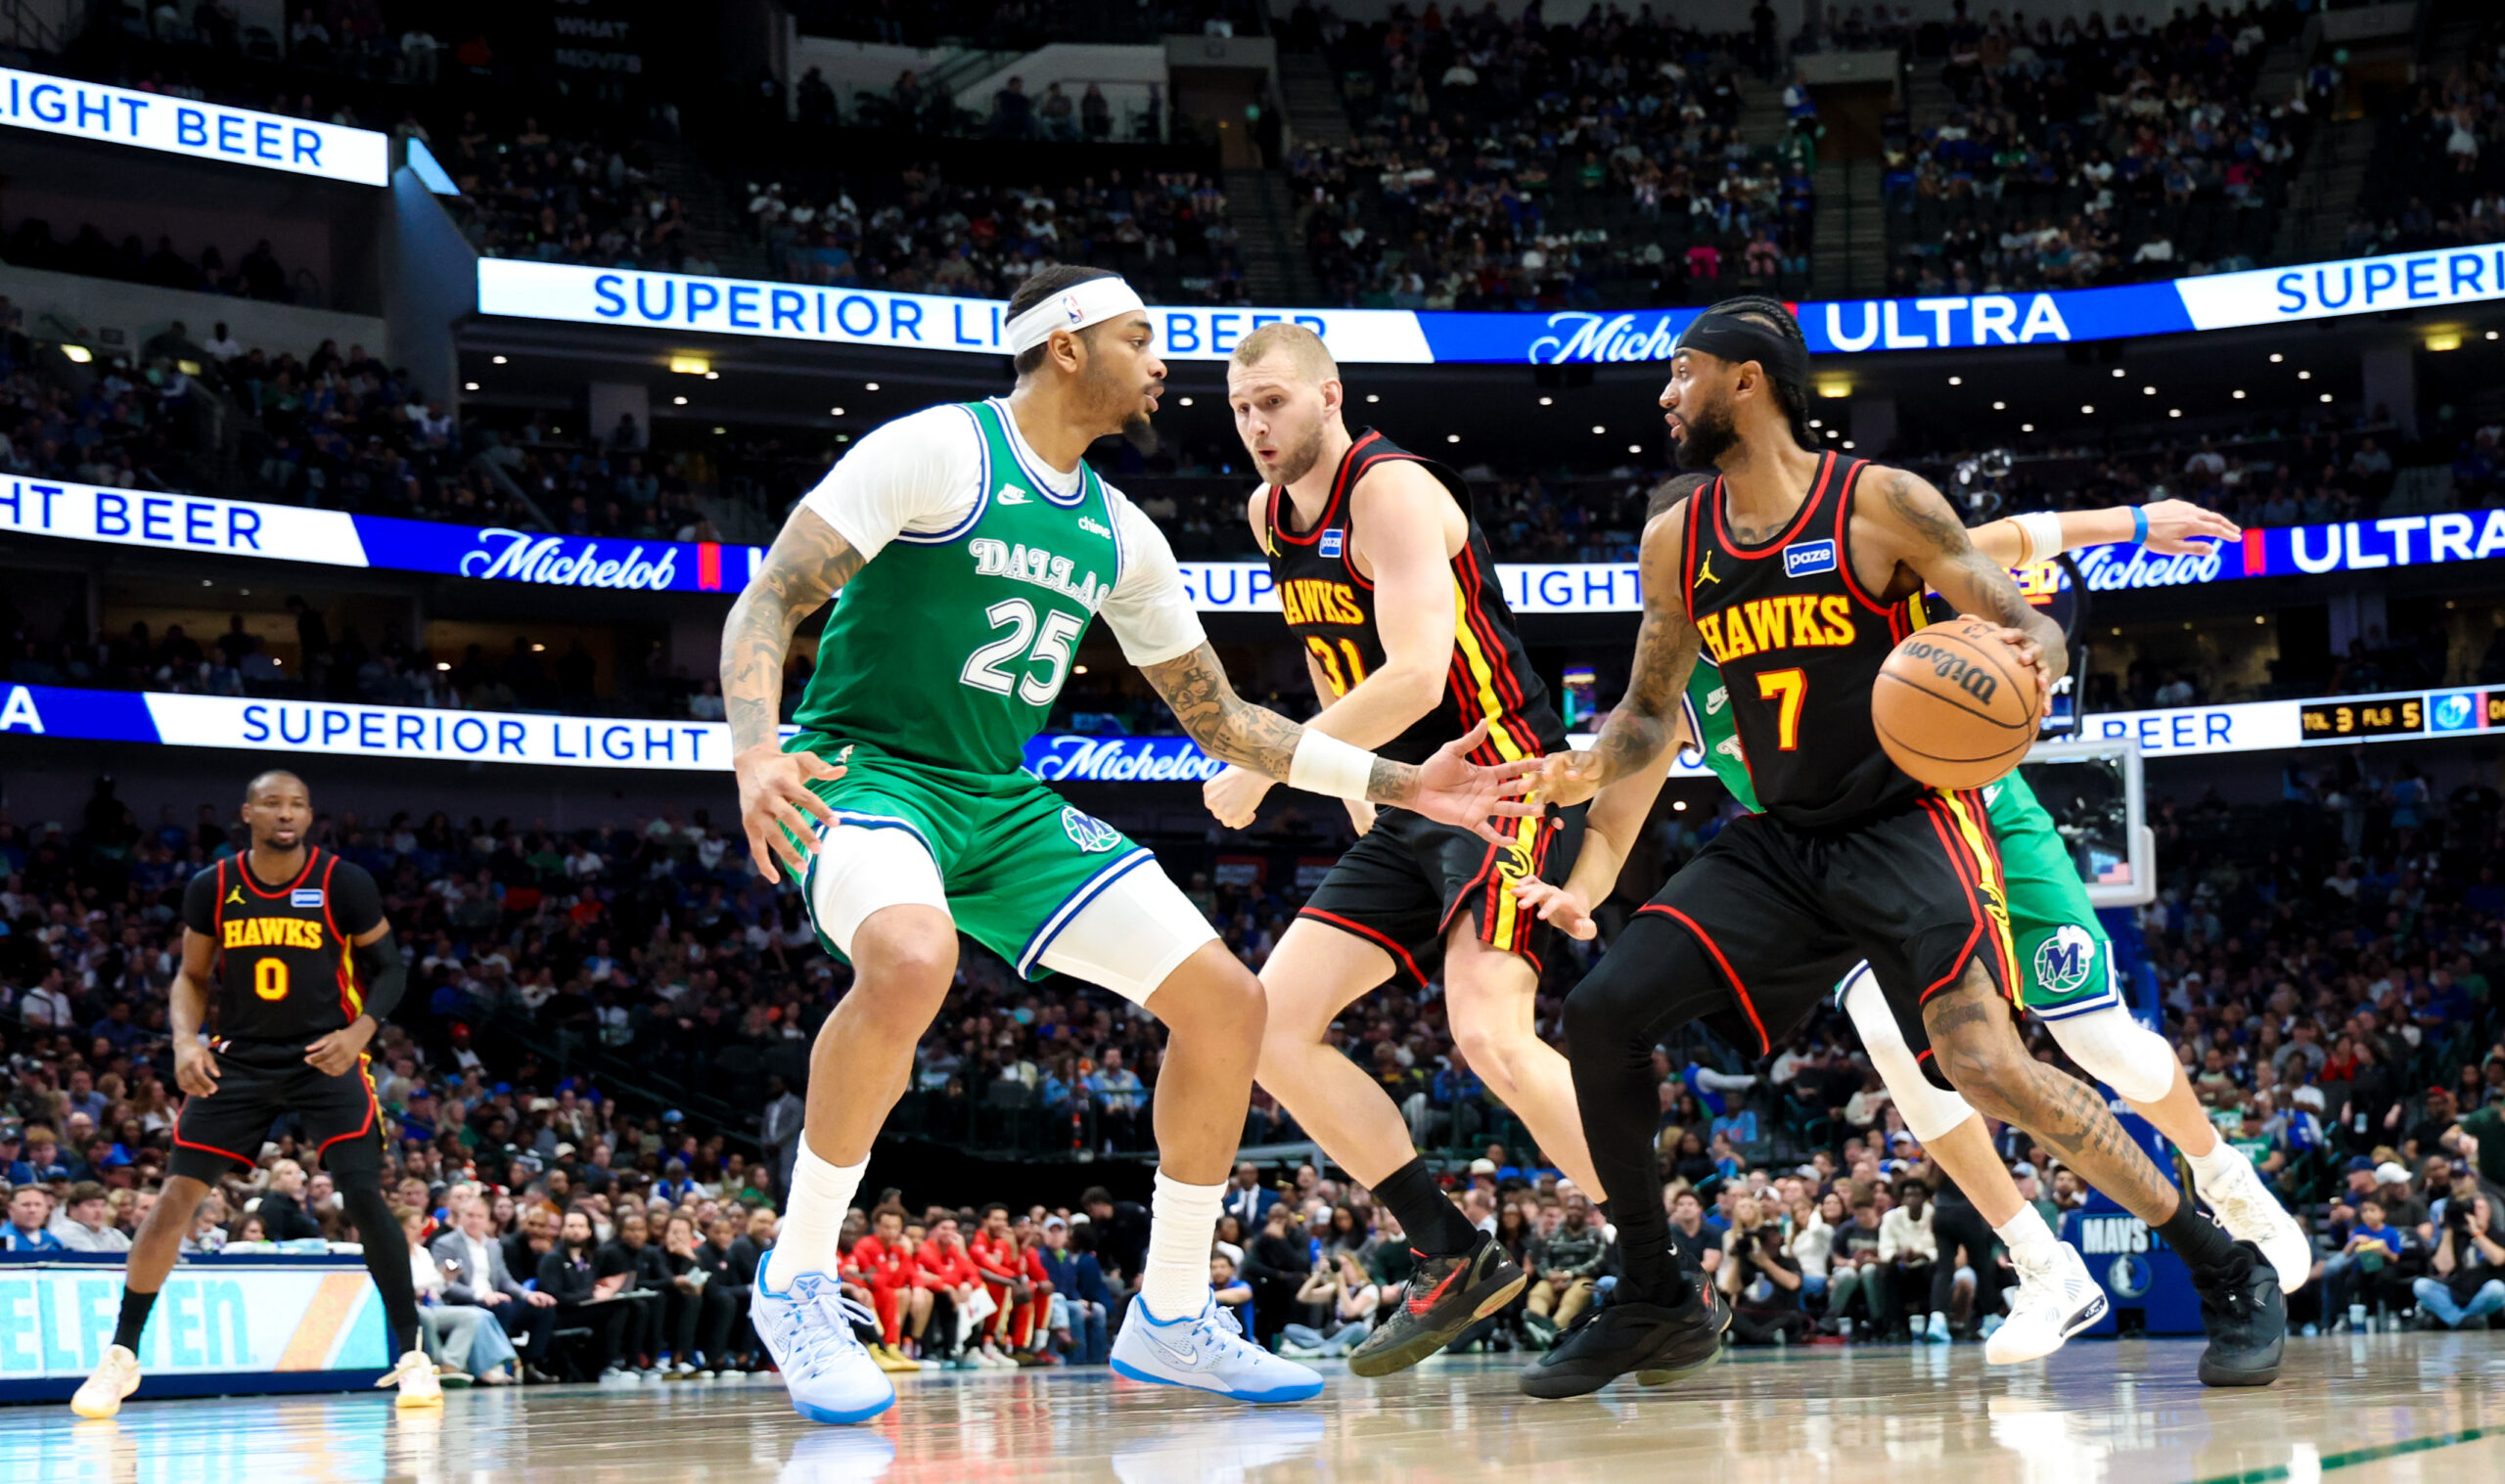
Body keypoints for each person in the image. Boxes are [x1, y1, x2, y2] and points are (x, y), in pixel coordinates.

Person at [718, 264, 1535, 1423]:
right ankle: (796, 1274)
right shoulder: (938, 449)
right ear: (1064, 347)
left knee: (1228, 1003)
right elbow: (768, 600)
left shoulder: (1120, 529)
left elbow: (1227, 725)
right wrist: (755, 749)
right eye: (1141, 336)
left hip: (1002, 799)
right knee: (908, 956)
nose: (1164, 362)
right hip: (865, 772)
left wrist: (1415, 783)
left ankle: (1169, 1313)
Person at [1518, 296, 2287, 1397]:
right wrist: (1582, 767)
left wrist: (2033, 662)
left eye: (1681, 371)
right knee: (1598, 1011)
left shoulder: (1876, 503)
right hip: (1782, 840)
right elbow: (1646, 713)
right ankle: (1656, 1294)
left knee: (1988, 1067)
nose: (1665, 392)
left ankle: (2225, 1265)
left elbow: (2021, 617)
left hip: (1906, 822)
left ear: (1747, 379)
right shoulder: (1674, 538)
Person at [1210, 323, 1592, 1375]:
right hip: (1403, 795)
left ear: (1330, 396)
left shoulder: (1390, 491)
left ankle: (1662, 1265)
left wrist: (1272, 757)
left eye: (1275, 402)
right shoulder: (1265, 514)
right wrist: (1350, 789)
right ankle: (1449, 1249)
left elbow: (1420, 675)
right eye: (1242, 409)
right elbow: (1339, 667)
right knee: (1268, 1025)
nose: (1257, 425)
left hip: (1497, 771)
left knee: (1491, 1035)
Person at [71, 771, 436, 1418]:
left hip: (326, 1055)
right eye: (272, 802)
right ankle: (121, 1355)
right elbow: (190, 975)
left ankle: (411, 1353)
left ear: (309, 813)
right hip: (237, 1058)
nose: (285, 812)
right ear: (248, 813)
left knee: (361, 1190)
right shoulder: (213, 885)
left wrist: (359, 1033)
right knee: (177, 1194)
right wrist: (186, 1043)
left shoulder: (341, 881)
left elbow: (391, 968)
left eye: (297, 802)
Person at [431, 1192, 558, 1379]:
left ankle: (529, 1364)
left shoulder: (493, 1246)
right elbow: (447, 1285)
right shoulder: (446, 1244)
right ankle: (497, 1365)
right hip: (467, 1302)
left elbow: (505, 1281)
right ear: (461, 1216)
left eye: (479, 1216)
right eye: (470, 1215)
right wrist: (480, 1295)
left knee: (543, 1308)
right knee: (501, 1306)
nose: (474, 1221)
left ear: (487, 1219)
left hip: (495, 1299)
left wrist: (527, 1295)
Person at [2414, 1189, 2505, 1328]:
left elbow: (2498, 1259)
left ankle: (2457, 1319)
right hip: (2457, 1291)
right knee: (2421, 1286)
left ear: (2489, 1211)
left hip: (2484, 1294)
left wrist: (2476, 1232)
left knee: (2497, 1289)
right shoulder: (2456, 1236)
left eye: (2480, 1208)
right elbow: (2443, 1268)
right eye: (2473, 1208)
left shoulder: (2498, 1235)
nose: (2476, 1212)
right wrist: (2449, 1228)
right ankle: (2462, 1320)